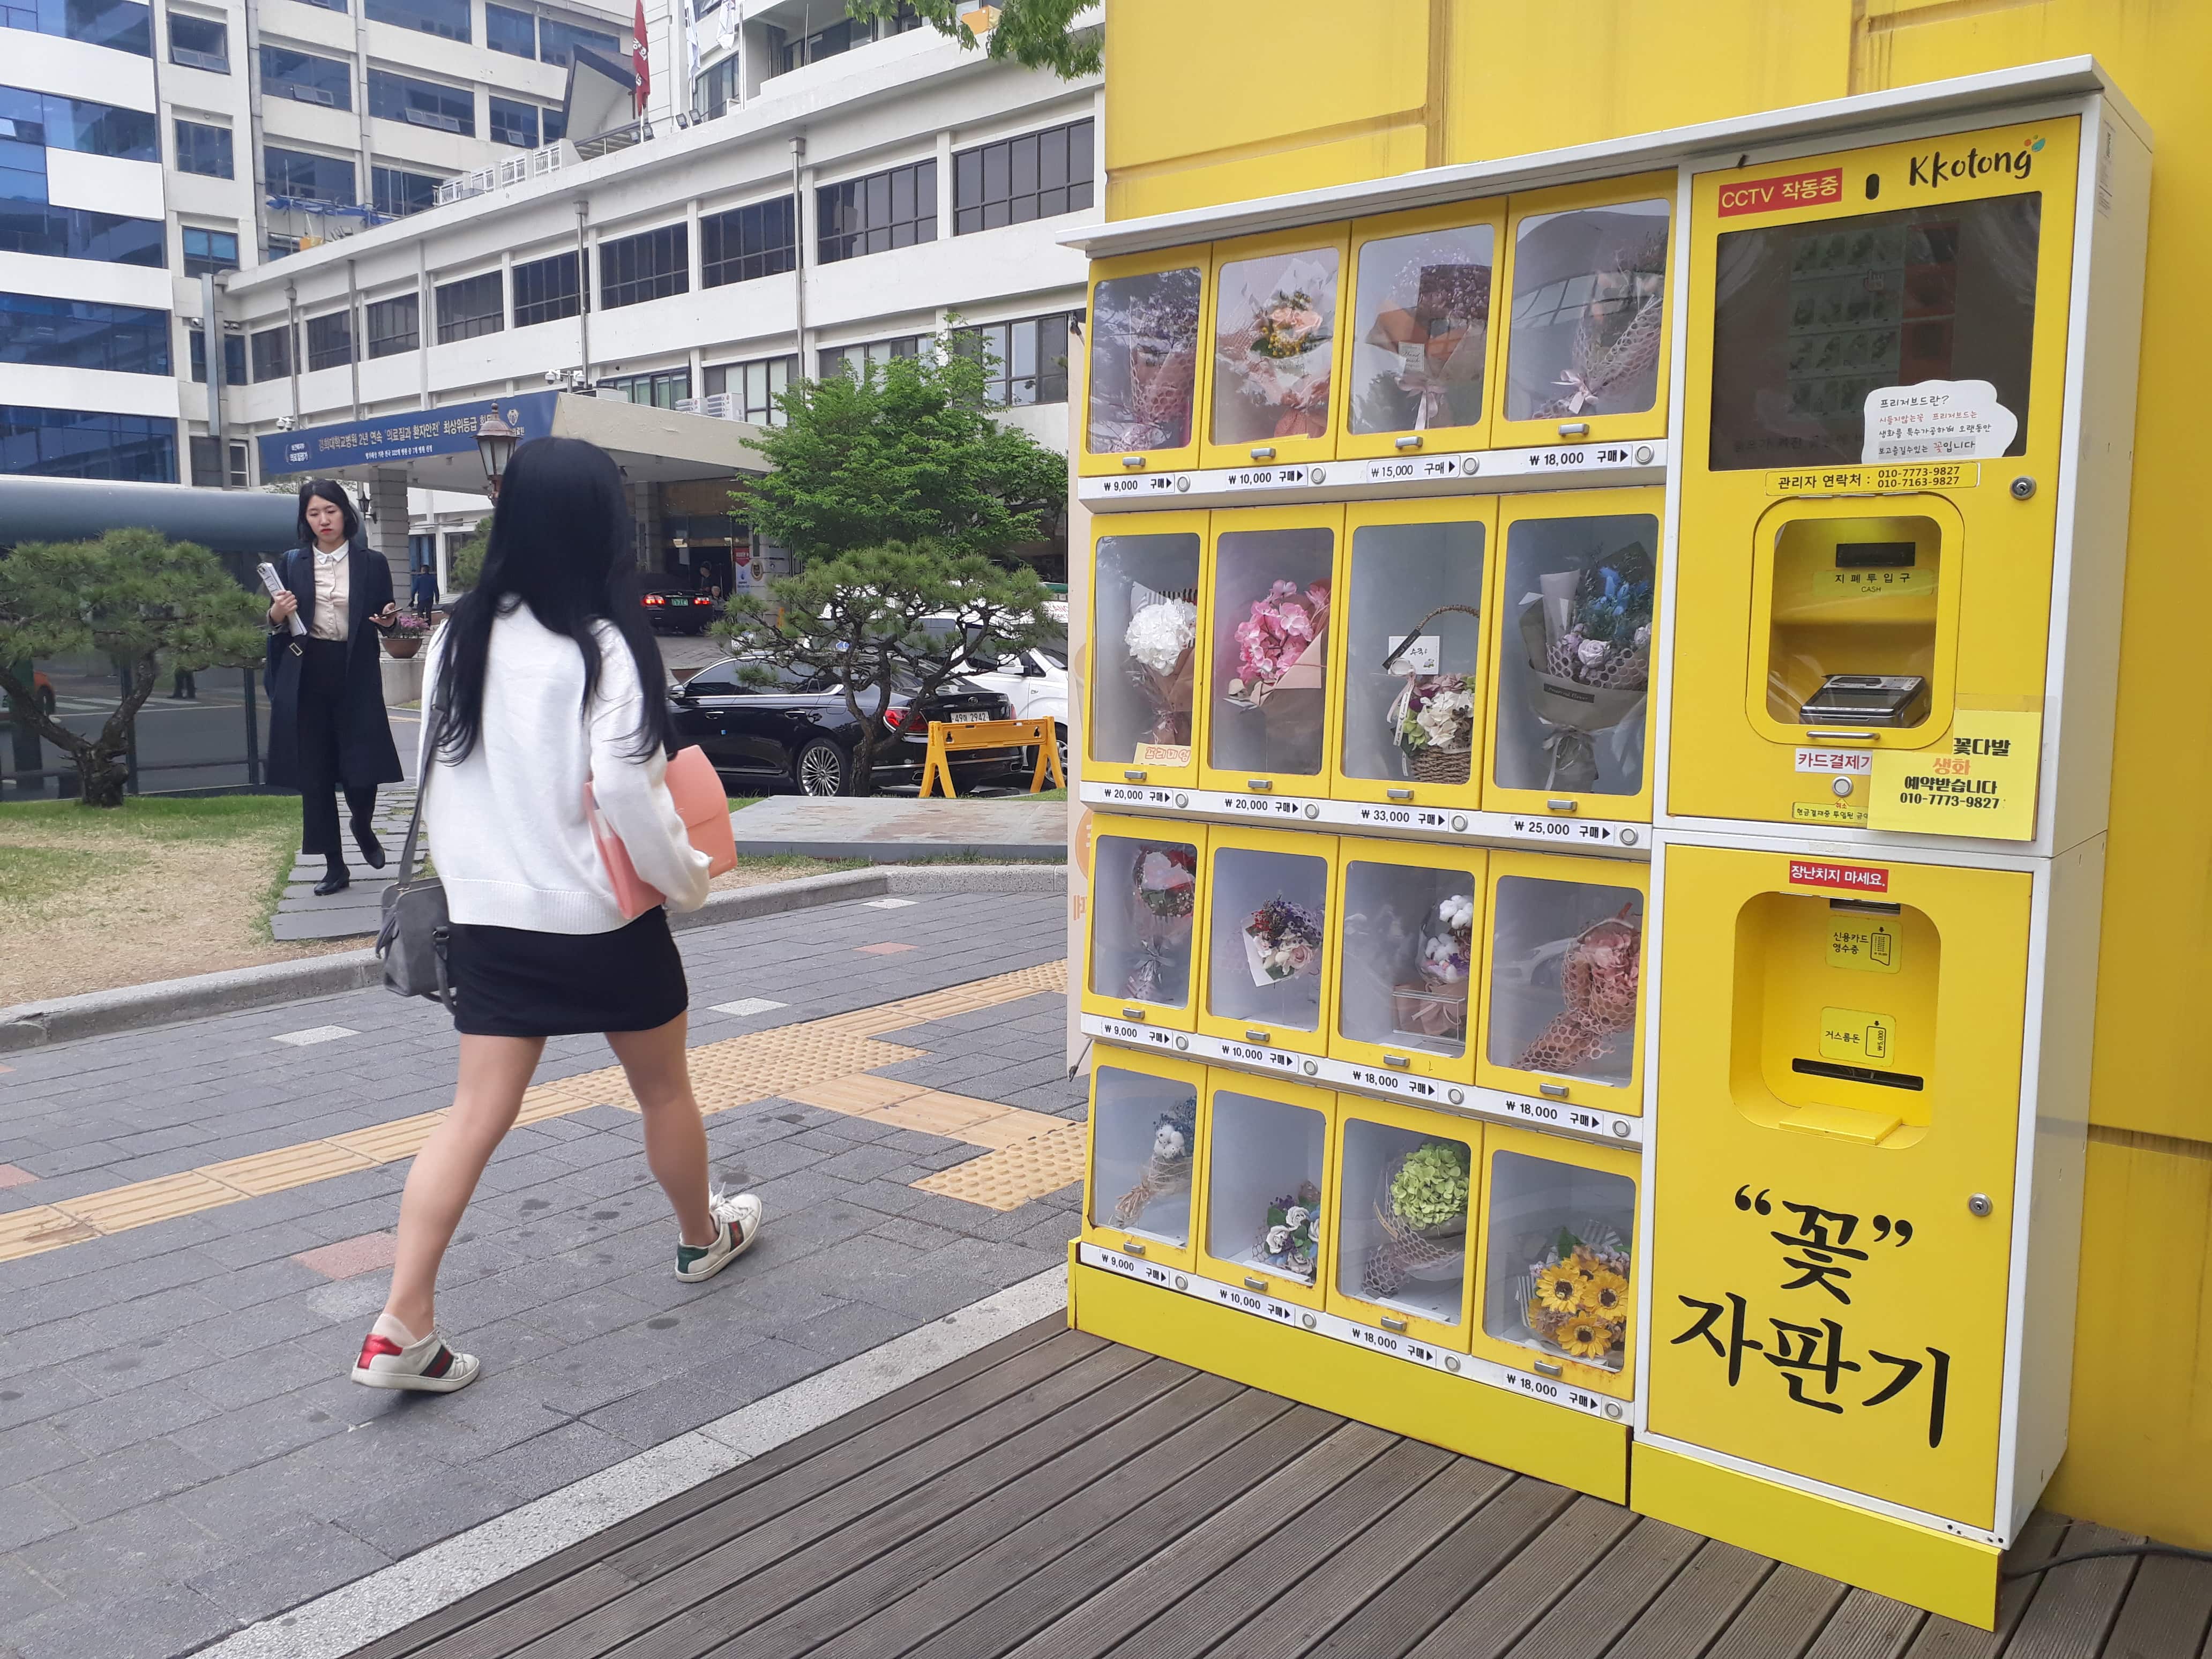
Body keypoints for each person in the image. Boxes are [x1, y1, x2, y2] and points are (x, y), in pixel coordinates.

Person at [350, 436, 761, 1395]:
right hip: (604, 918)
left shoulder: (459, 633)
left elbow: (437, 772)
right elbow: (625, 787)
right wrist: (690, 879)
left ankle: (400, 1321)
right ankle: (702, 1237)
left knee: (471, 1117)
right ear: (600, 526)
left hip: (490, 920)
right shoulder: (604, 643)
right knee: (663, 1090)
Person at [264, 482, 403, 895]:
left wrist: (389, 623)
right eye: (313, 513)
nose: (323, 520)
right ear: (305, 519)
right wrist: (277, 612)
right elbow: (274, 624)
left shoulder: (371, 562)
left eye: (330, 511)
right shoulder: (291, 563)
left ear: (345, 513)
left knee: (363, 765)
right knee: (316, 773)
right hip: (307, 673)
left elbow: (389, 619)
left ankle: (362, 822)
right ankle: (334, 865)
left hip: (355, 670)